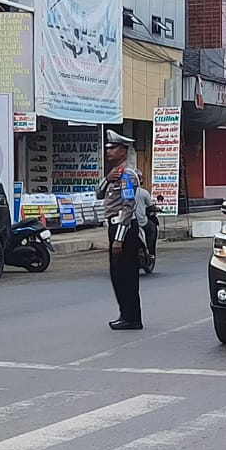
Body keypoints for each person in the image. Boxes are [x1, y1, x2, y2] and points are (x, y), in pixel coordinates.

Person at [97, 129, 141, 330]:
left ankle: (131, 317)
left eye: (113, 148)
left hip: (124, 229)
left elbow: (128, 206)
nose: (109, 151)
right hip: (113, 226)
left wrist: (119, 238)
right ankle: (125, 314)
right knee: (117, 275)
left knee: (126, 275)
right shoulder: (115, 174)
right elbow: (99, 194)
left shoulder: (127, 175)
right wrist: (107, 178)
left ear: (123, 151)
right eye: (108, 148)